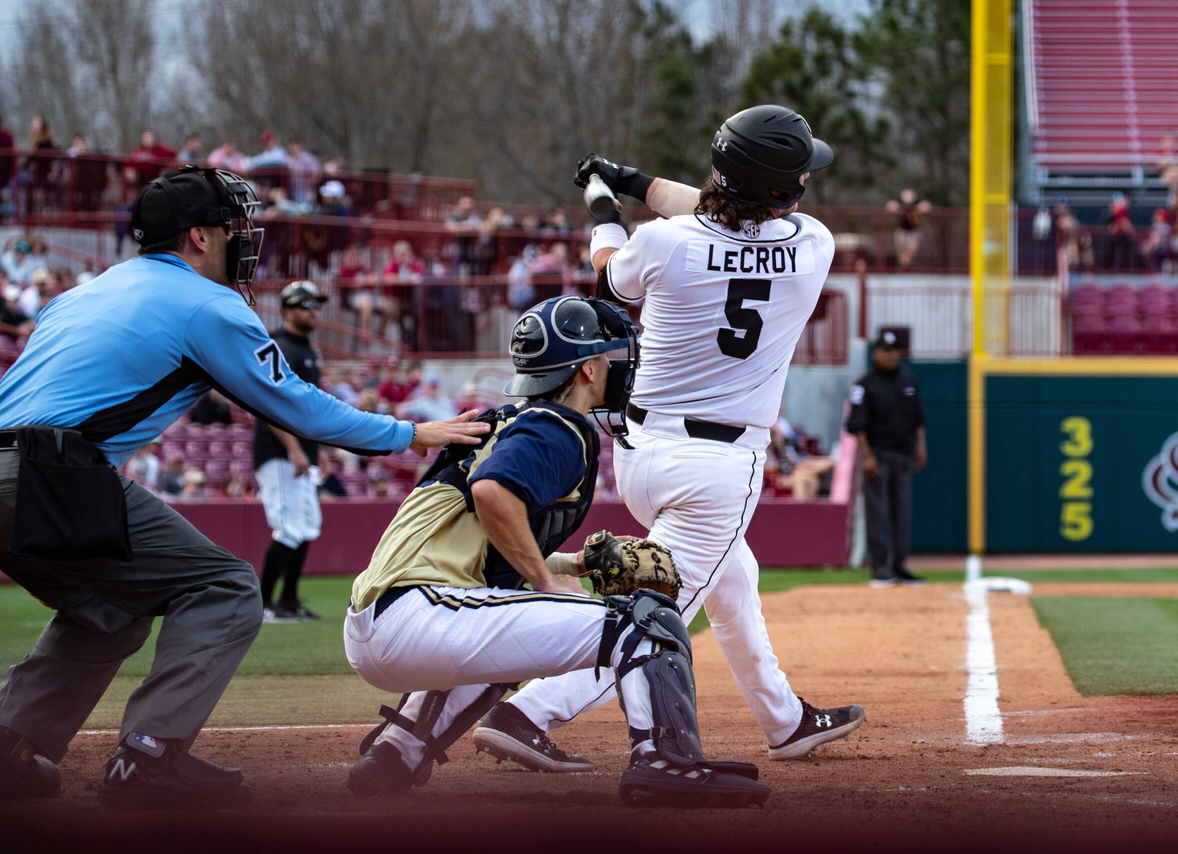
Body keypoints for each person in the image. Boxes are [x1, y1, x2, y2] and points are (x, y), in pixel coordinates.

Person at [0, 164, 487, 810]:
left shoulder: (90, 290)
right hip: (50, 473)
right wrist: (411, 433)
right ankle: (149, 756)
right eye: (232, 227)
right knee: (226, 588)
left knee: (111, 609)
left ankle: (10, 748)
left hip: (24, 468)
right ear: (198, 238)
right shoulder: (208, 304)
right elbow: (301, 408)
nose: (243, 239)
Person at [467, 106, 864, 776]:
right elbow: (734, 214)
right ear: (782, 189)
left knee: (735, 578)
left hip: (641, 453)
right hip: (717, 468)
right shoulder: (812, 245)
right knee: (651, 619)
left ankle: (785, 720)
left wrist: (605, 199)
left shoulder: (665, 241)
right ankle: (527, 712)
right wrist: (631, 180)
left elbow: (610, 270)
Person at [343, 295, 769, 808]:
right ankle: (666, 761)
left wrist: (571, 566)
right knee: (647, 620)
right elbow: (492, 494)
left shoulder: (503, 420)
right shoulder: (559, 423)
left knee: (505, 634)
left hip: (380, 622)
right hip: (420, 616)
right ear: (588, 368)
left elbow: (482, 539)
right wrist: (547, 585)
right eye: (609, 359)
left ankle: (397, 752)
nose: (617, 368)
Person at [253, 281, 331, 623]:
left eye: (316, 305)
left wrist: (318, 450)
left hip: (302, 450)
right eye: (305, 305)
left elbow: (309, 408)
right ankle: (261, 604)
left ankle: (288, 601)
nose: (313, 311)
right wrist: (294, 448)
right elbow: (269, 404)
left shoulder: (307, 350)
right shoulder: (279, 346)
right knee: (288, 527)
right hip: (280, 452)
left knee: (307, 524)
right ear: (286, 310)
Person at [846, 331, 927, 587]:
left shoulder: (908, 380)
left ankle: (899, 565)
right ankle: (879, 567)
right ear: (876, 353)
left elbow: (918, 420)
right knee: (877, 511)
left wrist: (921, 447)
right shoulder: (865, 384)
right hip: (878, 455)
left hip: (902, 453)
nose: (892, 355)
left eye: (895, 350)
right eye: (886, 350)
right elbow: (857, 425)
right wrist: (867, 456)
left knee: (902, 511)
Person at [886, 188, 931, 269]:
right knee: (901, 252)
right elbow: (889, 205)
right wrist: (898, 208)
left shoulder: (916, 203)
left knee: (911, 250)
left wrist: (917, 209)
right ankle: (903, 266)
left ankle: (906, 266)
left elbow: (927, 206)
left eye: (910, 195)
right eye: (906, 195)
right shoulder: (900, 203)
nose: (908, 197)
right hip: (902, 231)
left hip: (913, 231)